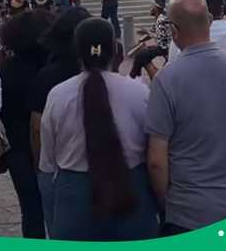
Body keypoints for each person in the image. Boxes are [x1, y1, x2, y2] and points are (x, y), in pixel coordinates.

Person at [146, 0, 226, 236]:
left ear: (175, 30)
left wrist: (166, 203)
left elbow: (157, 161)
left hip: (187, 211)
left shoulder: (166, 79)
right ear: (209, 22)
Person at [40, 18, 158, 240]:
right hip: (130, 188)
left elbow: (48, 160)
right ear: (115, 49)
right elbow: (153, 148)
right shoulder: (139, 92)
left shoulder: (58, 95)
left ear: (77, 51)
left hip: (75, 196)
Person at [27, 7, 90, 228]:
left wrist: (40, 166)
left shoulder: (47, 76)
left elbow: (36, 128)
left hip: (58, 167)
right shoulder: (102, 72)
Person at [0, 11, 55, 239]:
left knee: (30, 209)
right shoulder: (53, 71)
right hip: (53, 147)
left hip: (18, 147)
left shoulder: (5, 70)